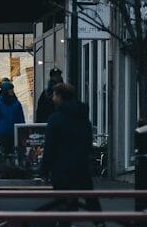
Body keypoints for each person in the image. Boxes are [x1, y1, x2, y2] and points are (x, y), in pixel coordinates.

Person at [39, 81, 102, 217]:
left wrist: (44, 170)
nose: (52, 98)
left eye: (55, 95)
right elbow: (88, 140)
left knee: (63, 203)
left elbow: (50, 146)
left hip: (61, 167)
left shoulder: (55, 118)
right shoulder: (83, 116)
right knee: (89, 198)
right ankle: (100, 225)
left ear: (60, 96)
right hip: (81, 165)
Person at [0, 78, 25, 155]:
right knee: (3, 154)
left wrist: (23, 133)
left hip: (14, 133)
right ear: (5, 91)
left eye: (12, 89)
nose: (12, 91)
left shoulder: (16, 104)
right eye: (10, 89)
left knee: (14, 154)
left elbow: (21, 119)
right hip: (2, 134)